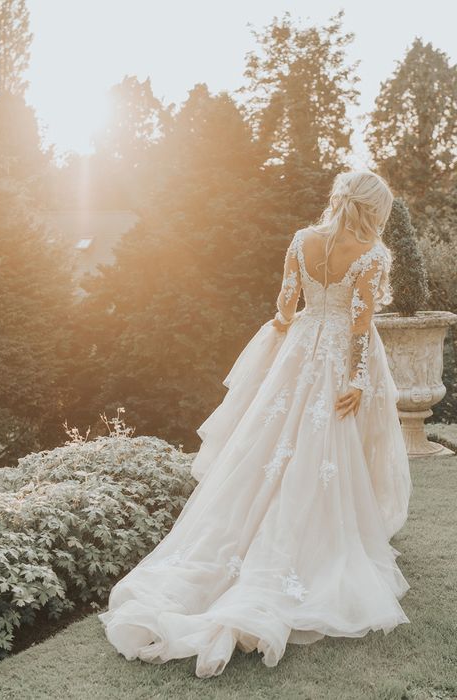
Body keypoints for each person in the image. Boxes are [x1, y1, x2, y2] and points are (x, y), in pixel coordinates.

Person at [97, 170, 413, 678]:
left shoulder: (301, 240)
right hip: (338, 359)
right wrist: (355, 379)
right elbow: (359, 324)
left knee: (273, 444)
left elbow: (286, 306)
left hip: (299, 349)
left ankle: (240, 550)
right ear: (374, 209)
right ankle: (318, 544)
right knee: (329, 448)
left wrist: (289, 332)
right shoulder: (370, 254)